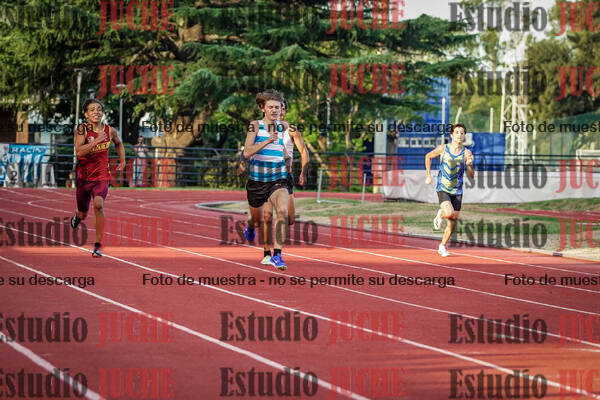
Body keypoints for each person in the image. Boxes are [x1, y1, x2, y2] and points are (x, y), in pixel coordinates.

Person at [70, 99, 125, 257]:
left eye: (99, 109)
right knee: (83, 213)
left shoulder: (110, 130)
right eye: (92, 109)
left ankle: (98, 245)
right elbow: (79, 152)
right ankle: (78, 216)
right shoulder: (82, 130)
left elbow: (118, 143)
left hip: (102, 176)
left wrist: (122, 160)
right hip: (84, 178)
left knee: (99, 205)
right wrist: (98, 141)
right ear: (86, 114)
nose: (96, 112)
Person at [242, 90, 290, 270]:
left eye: (277, 107)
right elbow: (247, 152)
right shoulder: (255, 126)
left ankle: (277, 255)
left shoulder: (284, 126)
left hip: (278, 178)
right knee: (257, 220)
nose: (274, 110)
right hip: (257, 180)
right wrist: (267, 141)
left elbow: (283, 148)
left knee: (282, 211)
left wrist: (289, 161)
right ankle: (250, 225)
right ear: (263, 108)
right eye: (270, 107)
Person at [424, 123, 474, 257]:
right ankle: (441, 214)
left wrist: (470, 165)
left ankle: (442, 246)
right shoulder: (443, 149)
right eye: (457, 132)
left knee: (453, 220)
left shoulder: (467, 153)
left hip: (457, 190)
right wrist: (428, 175)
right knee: (449, 213)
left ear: (464, 136)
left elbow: (471, 176)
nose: (459, 135)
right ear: (452, 135)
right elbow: (428, 156)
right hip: (443, 187)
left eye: (462, 133)